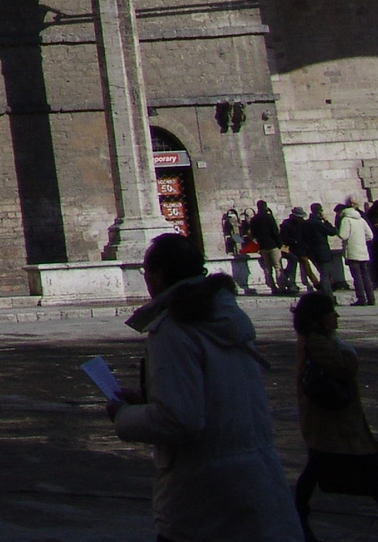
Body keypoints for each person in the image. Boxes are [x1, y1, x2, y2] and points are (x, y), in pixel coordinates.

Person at [108, 231, 303, 542]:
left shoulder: (172, 329)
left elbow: (179, 419)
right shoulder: (227, 319)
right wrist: (148, 401)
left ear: (157, 277)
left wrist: (124, 415)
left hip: (203, 496)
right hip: (256, 482)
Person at [292, 289, 378, 540]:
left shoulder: (314, 338)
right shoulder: (318, 342)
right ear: (320, 317)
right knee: (364, 465)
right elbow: (345, 367)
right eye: (332, 313)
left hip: (327, 421)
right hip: (332, 421)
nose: (336, 317)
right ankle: (298, 511)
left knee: (317, 464)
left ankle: (300, 511)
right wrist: (347, 349)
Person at [340, 200, 375, 308]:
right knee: (366, 276)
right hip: (363, 251)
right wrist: (361, 240)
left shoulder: (346, 220)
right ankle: (371, 298)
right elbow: (370, 235)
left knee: (357, 277)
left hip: (352, 251)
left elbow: (343, 235)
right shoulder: (361, 220)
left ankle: (361, 298)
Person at [312, 204, 345, 294]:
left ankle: (325, 292)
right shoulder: (319, 223)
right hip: (322, 253)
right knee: (325, 274)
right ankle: (328, 295)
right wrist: (326, 220)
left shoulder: (306, 223)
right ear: (320, 212)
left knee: (323, 273)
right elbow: (332, 231)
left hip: (312, 252)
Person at [255, 201, 285, 294]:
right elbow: (275, 232)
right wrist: (280, 244)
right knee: (277, 266)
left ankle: (272, 287)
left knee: (268, 268)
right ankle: (281, 287)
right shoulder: (269, 217)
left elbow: (254, 233)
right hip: (272, 245)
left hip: (262, 246)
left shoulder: (254, 219)